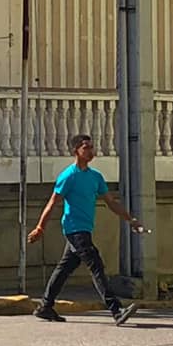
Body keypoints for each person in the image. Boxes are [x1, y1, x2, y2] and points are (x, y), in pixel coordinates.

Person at [26, 132, 147, 324]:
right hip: (74, 229)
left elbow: (111, 202)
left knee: (65, 268)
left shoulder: (95, 177)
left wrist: (130, 219)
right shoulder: (68, 176)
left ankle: (45, 306)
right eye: (86, 148)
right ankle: (116, 310)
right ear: (76, 151)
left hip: (85, 228)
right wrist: (40, 227)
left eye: (92, 147)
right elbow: (52, 202)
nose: (91, 151)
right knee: (96, 265)